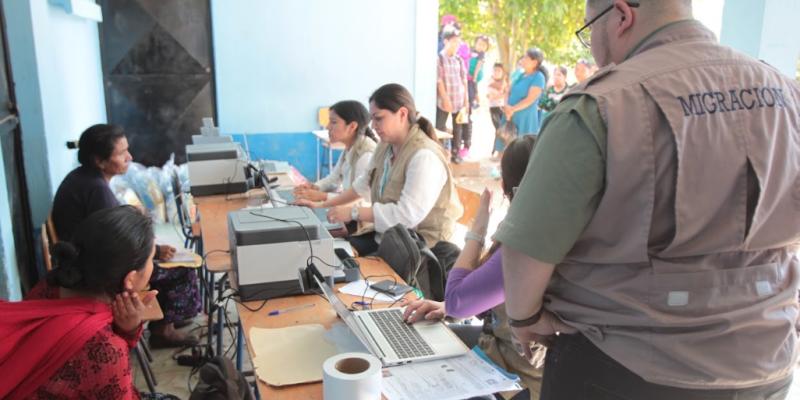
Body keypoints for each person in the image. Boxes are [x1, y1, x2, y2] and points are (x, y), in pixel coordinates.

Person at [495, 1, 800, 399]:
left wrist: (525, 317)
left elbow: (528, 249)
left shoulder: (599, 104)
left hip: (625, 366)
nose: (592, 49)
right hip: (765, 362)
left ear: (621, 16)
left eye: (589, 32)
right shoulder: (784, 92)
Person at [403, 136, 544, 399]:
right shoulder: (546, 228)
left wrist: (478, 227)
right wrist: (448, 307)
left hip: (520, 376)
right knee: (420, 341)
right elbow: (464, 302)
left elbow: (458, 301)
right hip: (502, 347)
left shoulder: (526, 243)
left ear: (506, 187)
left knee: (417, 367)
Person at [51, 124, 200, 348]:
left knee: (164, 262)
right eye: (121, 153)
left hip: (86, 261)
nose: (129, 157)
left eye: (127, 150)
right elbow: (115, 243)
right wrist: (156, 251)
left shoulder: (84, 178)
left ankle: (169, 315)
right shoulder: (97, 190)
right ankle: (162, 330)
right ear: (99, 160)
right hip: (97, 273)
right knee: (182, 272)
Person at [0, 206, 157, 399]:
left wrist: (127, 329)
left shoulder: (49, 286)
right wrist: (128, 334)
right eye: (152, 258)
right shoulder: (107, 349)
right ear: (130, 279)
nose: (153, 265)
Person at [297, 83, 463, 256]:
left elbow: (406, 216)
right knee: (323, 254)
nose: (373, 125)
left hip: (420, 250)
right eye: (372, 119)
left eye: (379, 118)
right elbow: (361, 186)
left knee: (337, 263)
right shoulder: (385, 146)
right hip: (389, 239)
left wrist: (353, 213)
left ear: (402, 114)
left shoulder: (424, 156)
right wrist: (321, 205)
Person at [293, 100, 377, 207]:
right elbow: (334, 179)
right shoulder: (350, 147)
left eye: (333, 122)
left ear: (352, 126)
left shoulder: (366, 155)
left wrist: (322, 196)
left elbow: (361, 201)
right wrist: (314, 187)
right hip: (348, 211)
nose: (327, 126)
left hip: (360, 217)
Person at [436, 25, 470, 164]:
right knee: (441, 127)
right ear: (445, 41)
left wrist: (466, 100)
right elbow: (439, 80)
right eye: (453, 41)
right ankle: (440, 152)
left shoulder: (459, 60)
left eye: (458, 42)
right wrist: (445, 98)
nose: (456, 45)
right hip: (444, 101)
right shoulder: (439, 59)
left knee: (458, 128)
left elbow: (464, 80)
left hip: (459, 100)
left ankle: (456, 153)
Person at [503, 48, 547, 136]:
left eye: (526, 58)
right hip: (509, 116)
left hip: (525, 118)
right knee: (504, 145)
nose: (523, 59)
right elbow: (507, 91)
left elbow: (530, 99)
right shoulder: (520, 74)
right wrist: (506, 106)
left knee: (521, 146)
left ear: (534, 62)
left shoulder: (539, 77)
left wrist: (512, 109)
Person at [487, 63, 509, 157]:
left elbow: (506, 92)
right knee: (499, 129)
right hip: (494, 108)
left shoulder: (505, 82)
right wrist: (503, 93)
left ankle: (499, 150)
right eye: (495, 70)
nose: (496, 73)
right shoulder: (491, 81)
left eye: (499, 71)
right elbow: (492, 96)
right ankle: (496, 150)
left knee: (502, 129)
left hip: (502, 108)